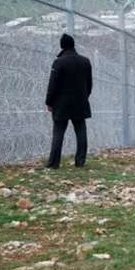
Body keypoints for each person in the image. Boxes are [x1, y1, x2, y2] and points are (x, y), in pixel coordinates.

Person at [45, 34, 93, 169]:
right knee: (81, 132)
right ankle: (80, 162)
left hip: (62, 104)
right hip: (80, 102)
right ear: (73, 44)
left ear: (62, 46)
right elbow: (89, 84)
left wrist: (49, 101)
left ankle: (54, 163)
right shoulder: (85, 61)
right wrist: (84, 97)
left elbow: (53, 84)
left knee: (58, 133)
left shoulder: (59, 62)